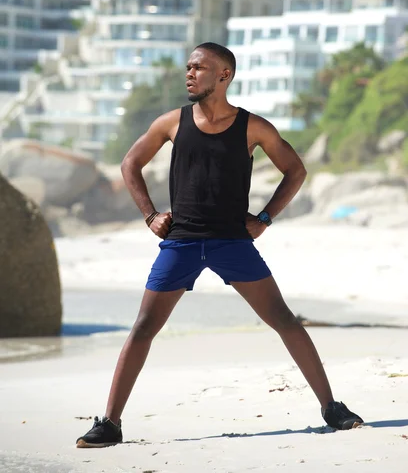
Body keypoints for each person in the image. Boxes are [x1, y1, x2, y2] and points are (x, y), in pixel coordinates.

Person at [76, 42, 363, 448]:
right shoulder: (172, 122)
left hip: (233, 242)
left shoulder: (252, 127)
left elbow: (295, 170)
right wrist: (150, 215)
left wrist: (264, 218)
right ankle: (110, 423)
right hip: (182, 243)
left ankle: (331, 407)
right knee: (143, 327)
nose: (190, 73)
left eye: (199, 67)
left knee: (284, 320)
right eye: (189, 67)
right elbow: (130, 164)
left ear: (223, 75)